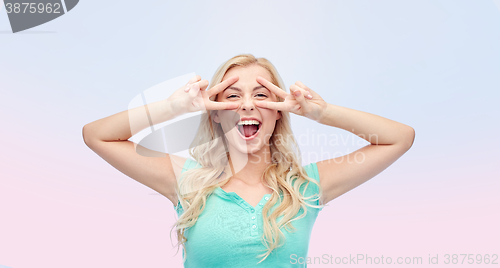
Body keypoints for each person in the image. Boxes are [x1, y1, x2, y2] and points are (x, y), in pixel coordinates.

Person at [82, 54, 415, 267]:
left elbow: (399, 137)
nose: (246, 106)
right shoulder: (186, 180)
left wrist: (322, 113)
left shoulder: (307, 187)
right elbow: (97, 135)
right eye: (231, 96)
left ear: (278, 113)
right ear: (214, 115)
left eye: (260, 95)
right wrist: (174, 108)